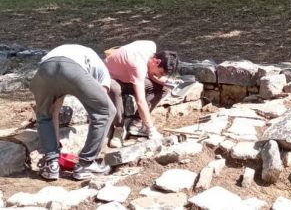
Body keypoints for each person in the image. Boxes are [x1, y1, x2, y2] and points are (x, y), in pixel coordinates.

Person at [29, 44, 115, 181]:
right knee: (106, 112)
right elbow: (101, 101)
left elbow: (54, 113)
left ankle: (51, 165)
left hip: (45, 69)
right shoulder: (103, 73)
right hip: (72, 68)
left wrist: (54, 153)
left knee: (45, 115)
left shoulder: (84, 53)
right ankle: (86, 163)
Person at [105, 40, 179, 146]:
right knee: (115, 89)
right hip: (110, 76)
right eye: (161, 73)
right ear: (157, 61)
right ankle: (119, 129)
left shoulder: (151, 46)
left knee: (164, 88)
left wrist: (163, 81)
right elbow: (140, 101)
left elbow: (151, 73)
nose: (160, 75)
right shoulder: (138, 66)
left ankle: (136, 123)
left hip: (128, 76)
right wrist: (151, 129)